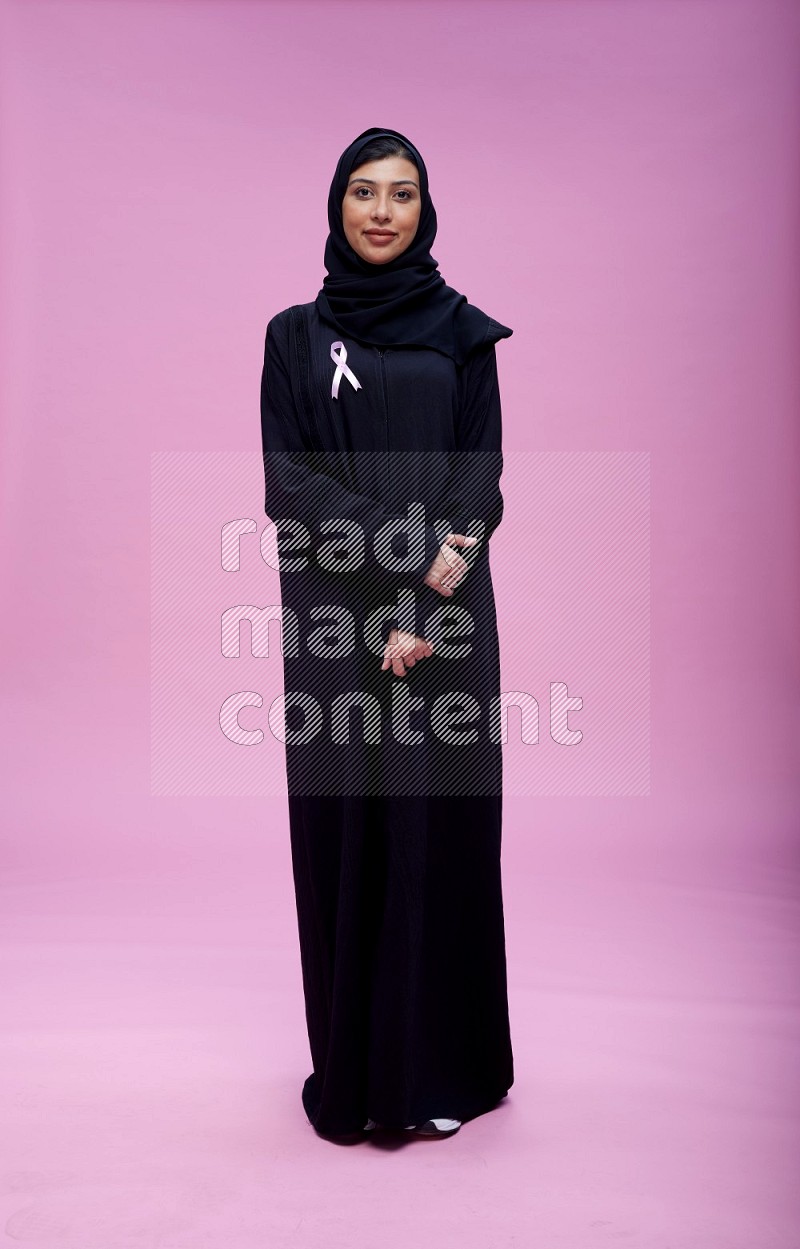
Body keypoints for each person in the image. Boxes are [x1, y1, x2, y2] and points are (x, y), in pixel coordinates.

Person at [259, 126, 514, 1141]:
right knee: (347, 835)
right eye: (361, 192)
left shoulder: (462, 331)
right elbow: (288, 483)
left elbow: (478, 478)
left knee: (438, 839)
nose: (379, 211)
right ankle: (359, 1077)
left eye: (400, 193)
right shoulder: (289, 335)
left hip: (441, 623)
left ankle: (442, 1072)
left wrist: (425, 600)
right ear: (334, 206)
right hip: (332, 625)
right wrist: (401, 564)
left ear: (424, 209)